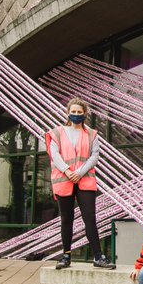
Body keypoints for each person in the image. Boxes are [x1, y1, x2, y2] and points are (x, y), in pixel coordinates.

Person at [46, 98, 114, 269]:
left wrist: (79, 173)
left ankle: (98, 257)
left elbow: (94, 156)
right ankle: (66, 256)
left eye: (79, 112)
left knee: (90, 218)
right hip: (64, 179)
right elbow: (54, 154)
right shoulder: (57, 133)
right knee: (66, 219)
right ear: (68, 113)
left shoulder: (92, 134)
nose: (76, 115)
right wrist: (68, 171)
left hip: (84, 180)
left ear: (85, 114)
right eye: (73, 112)